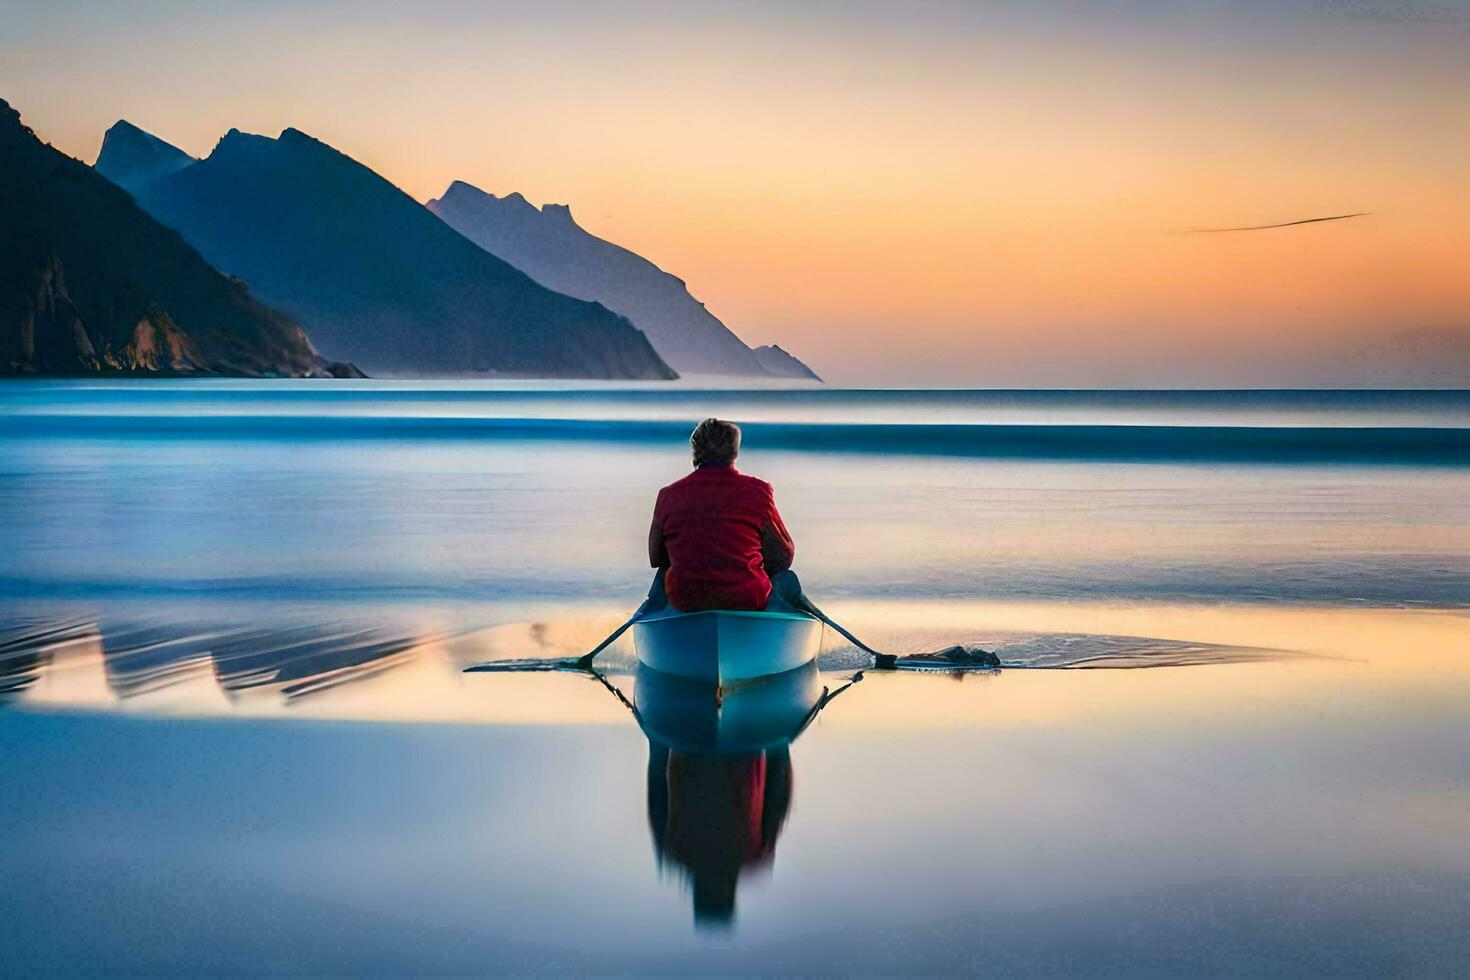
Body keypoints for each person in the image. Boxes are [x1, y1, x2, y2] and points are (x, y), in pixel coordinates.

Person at [648, 418, 795, 613]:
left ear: (695, 451)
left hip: (687, 599)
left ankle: (660, 616)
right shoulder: (758, 491)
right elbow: (784, 554)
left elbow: (656, 558)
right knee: (785, 578)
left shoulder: (669, 495)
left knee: (664, 574)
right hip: (748, 598)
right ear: (734, 451)